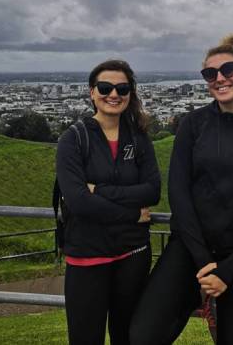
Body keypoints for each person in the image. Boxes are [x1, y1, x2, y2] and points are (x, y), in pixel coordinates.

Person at [130, 34, 233, 345]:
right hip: (189, 249)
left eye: (227, 70)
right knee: (143, 334)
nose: (219, 78)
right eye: (209, 73)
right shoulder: (194, 124)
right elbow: (179, 193)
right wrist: (204, 262)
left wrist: (227, 271)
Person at [56, 59, 161, 345]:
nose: (113, 94)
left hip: (132, 254)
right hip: (87, 255)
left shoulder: (138, 138)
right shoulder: (73, 139)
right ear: (92, 92)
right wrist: (132, 214)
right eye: (105, 87)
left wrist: (98, 190)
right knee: (85, 338)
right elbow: (78, 202)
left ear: (130, 94)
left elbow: (152, 191)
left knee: (127, 337)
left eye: (122, 88)